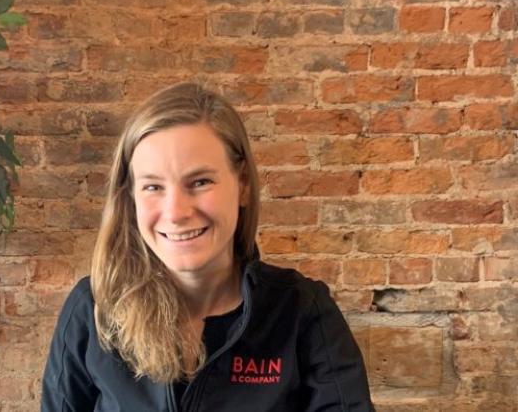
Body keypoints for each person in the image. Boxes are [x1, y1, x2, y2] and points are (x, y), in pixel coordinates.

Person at [41, 82, 374, 411]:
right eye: (153, 186)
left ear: (242, 184)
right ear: (130, 197)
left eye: (200, 182)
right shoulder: (94, 309)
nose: (176, 212)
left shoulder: (302, 310)